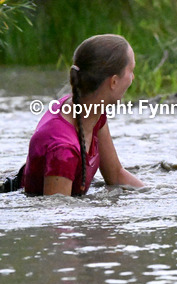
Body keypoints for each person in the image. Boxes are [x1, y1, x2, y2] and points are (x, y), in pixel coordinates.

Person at [17, 34, 144, 196]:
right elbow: (56, 209)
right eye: (131, 71)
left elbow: (116, 175)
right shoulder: (63, 149)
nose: (133, 77)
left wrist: (157, 194)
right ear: (113, 82)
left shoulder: (91, 112)